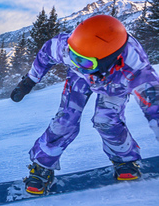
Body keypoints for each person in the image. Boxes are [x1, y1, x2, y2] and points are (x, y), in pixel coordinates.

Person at [10, 14, 159, 195]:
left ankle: (124, 159)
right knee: (65, 120)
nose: (73, 61)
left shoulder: (135, 68)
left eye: (82, 60)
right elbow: (46, 53)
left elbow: (155, 108)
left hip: (115, 82)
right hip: (79, 78)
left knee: (106, 120)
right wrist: (29, 81)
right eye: (72, 55)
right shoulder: (67, 49)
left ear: (109, 58)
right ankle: (42, 167)